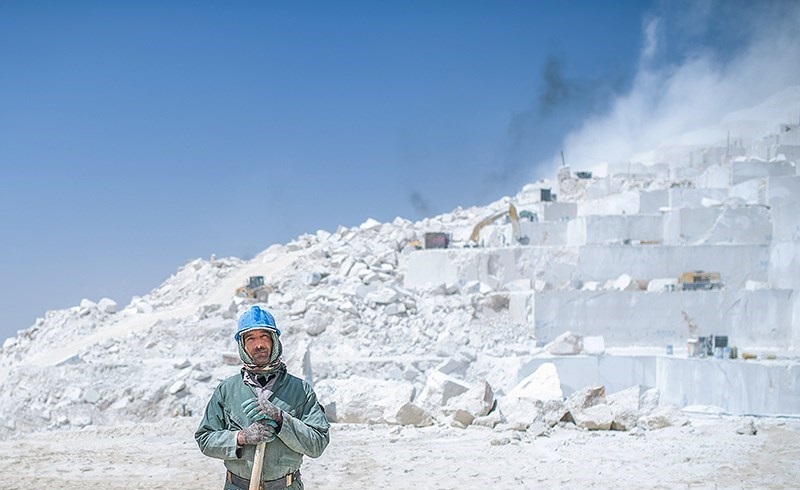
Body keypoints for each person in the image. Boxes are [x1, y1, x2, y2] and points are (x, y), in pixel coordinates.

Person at [195, 305, 330, 490]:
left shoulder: (301, 390)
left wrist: (281, 419)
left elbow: (318, 444)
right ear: (242, 345)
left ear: (274, 341)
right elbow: (205, 439)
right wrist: (241, 437)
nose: (259, 344)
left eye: (264, 336)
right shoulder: (226, 390)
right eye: (251, 338)